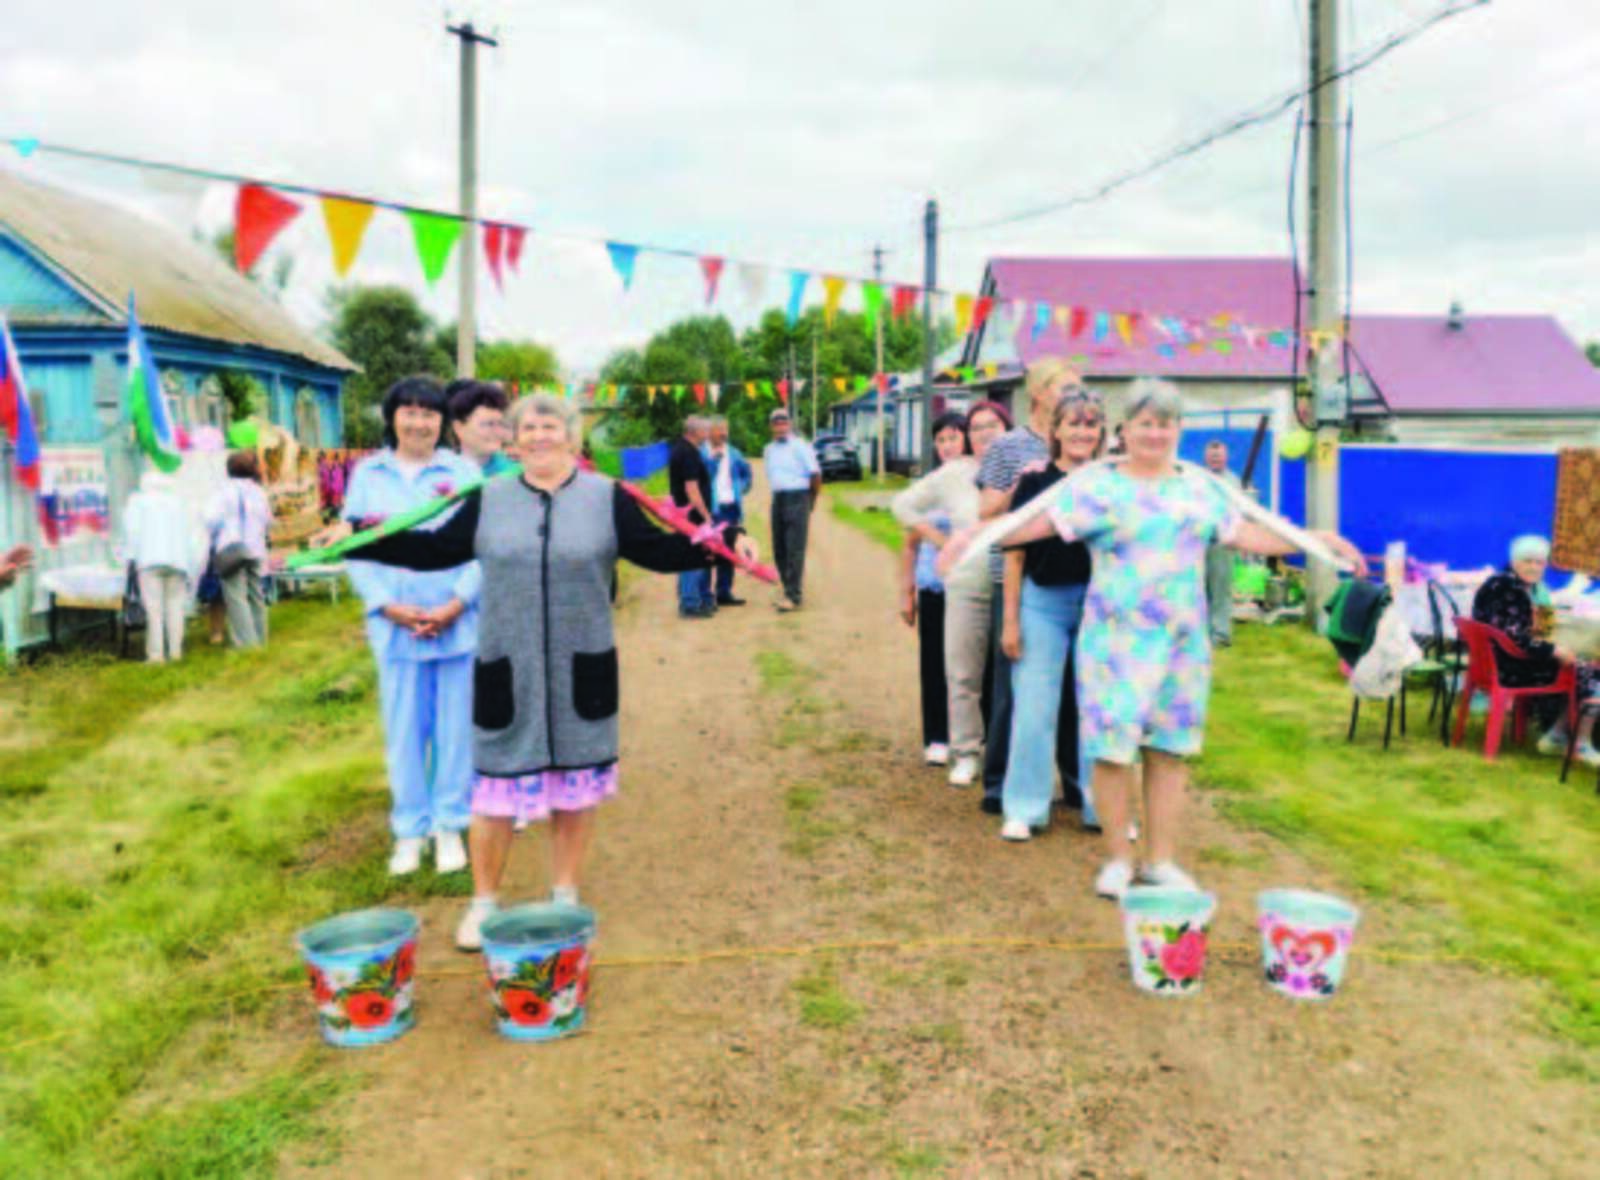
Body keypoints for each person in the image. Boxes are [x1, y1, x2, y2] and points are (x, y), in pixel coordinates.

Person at [331, 392, 760, 949]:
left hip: (582, 668)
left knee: (575, 790)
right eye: (528, 428)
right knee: (494, 795)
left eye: (550, 426)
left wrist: (726, 542)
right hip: (508, 669)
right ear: (513, 441)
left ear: (572, 437)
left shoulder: (606, 498)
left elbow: (658, 550)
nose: (538, 436)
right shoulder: (489, 498)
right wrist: (358, 539)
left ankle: (565, 894)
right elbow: (433, 549)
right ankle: (484, 904)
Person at [973, 378, 1363, 898]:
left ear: (1178, 430)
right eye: (1145, 423)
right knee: (1113, 753)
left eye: (1165, 424)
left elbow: (1248, 533)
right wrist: (971, 536)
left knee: (1168, 751)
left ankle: (1159, 862)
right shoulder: (1099, 487)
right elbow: (1034, 526)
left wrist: (1315, 541)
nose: (1155, 433)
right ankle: (1118, 860)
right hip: (1115, 646)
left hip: (1181, 645)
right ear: (1125, 430)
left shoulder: (1198, 490)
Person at [343, 376, 482, 878]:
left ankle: (449, 825)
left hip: (456, 622)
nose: (419, 423)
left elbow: (486, 545)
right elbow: (354, 547)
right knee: (403, 733)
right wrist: (386, 606)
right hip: (396, 628)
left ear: (444, 422)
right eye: (410, 412)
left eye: (429, 413)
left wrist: (457, 602)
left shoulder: (463, 472)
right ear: (392, 417)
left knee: (454, 732)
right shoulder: (368, 474)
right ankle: (409, 830)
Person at [996, 391, 1105, 841]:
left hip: (1101, 606)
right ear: (1056, 430)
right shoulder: (1034, 481)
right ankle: (1025, 807)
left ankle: (1105, 808)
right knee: (1035, 707)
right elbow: (1013, 552)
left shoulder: (1111, 481)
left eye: (1091, 424)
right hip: (1042, 603)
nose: (1082, 432)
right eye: (1074, 423)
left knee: (1100, 709)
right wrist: (1010, 621)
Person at [975, 357, 1082, 813]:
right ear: (1039, 393)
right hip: (1017, 576)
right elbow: (985, 511)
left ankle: (1076, 783)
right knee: (1011, 685)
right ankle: (1000, 783)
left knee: (1074, 687)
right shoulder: (1008, 447)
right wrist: (1022, 484)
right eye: (1066, 388)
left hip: (1074, 579)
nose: (1075, 397)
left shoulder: (1082, 441)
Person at [893, 401, 1010, 785]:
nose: (984, 434)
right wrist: (942, 542)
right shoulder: (952, 476)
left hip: (1011, 580)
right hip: (958, 582)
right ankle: (960, 749)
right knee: (958, 669)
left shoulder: (1019, 469)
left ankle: (999, 749)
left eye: (992, 426)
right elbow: (905, 511)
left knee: (1003, 673)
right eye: (976, 428)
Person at [1471, 535, 1599, 765]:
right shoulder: (1508, 588)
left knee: (1578, 661)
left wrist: (1551, 638)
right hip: (1509, 666)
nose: (1534, 567)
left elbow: (1541, 628)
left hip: (1494, 662)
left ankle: (1557, 734)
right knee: (1588, 670)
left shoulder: (1515, 584)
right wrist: (1554, 650)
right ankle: (1576, 741)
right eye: (1527, 561)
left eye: (1539, 562)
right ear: (1514, 561)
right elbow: (1515, 638)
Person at [895, 411, 970, 766]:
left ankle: (971, 736)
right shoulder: (928, 489)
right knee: (934, 661)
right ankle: (937, 736)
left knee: (969, 665)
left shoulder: (980, 483)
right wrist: (906, 592)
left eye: (953, 438)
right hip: (934, 585)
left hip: (971, 586)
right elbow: (910, 545)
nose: (947, 446)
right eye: (940, 440)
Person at [123, 470, 198, 663]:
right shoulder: (180, 502)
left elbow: (132, 532)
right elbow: (191, 536)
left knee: (153, 611)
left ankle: (156, 655)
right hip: (178, 561)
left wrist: (130, 558)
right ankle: (175, 652)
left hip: (149, 560)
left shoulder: (138, 501)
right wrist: (191, 564)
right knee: (176, 608)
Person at [203, 450, 272, 650]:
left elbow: (210, 520)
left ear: (228, 470)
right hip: (255, 549)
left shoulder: (222, 493)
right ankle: (260, 638)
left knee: (236, 597)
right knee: (256, 596)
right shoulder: (259, 492)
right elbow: (267, 520)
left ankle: (246, 644)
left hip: (231, 549)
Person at [763, 408, 821, 612]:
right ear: (771, 426)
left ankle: (793, 595)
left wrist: (811, 499)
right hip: (778, 498)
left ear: (789, 424)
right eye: (776, 423)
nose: (780, 427)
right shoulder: (768, 449)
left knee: (794, 548)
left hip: (798, 497)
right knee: (779, 548)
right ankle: (788, 588)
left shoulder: (800, 446)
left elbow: (815, 474)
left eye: (784, 423)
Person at [670, 415, 717, 619]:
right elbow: (692, 488)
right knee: (693, 557)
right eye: (705, 430)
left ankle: (692, 598)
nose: (708, 434)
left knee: (688, 556)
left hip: (682, 513)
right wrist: (706, 515)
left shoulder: (680, 448)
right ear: (695, 431)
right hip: (691, 515)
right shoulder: (688, 453)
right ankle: (690, 603)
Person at [704, 416, 753, 606]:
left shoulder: (734, 453)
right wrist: (713, 462)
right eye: (720, 430)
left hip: (731, 509)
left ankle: (724, 592)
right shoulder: (702, 453)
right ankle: (705, 595)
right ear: (710, 432)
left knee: (728, 551)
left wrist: (740, 488)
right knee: (707, 551)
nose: (724, 433)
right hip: (710, 510)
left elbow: (747, 474)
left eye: (726, 429)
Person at [1203, 440, 1242, 647]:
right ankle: (1200, 633)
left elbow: (1238, 512)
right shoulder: (1198, 480)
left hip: (1222, 542)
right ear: (1206, 458)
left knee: (1221, 589)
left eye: (1218, 455)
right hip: (1199, 543)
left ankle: (1220, 634)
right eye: (1212, 456)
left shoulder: (1233, 482)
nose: (1215, 459)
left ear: (1226, 457)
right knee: (1199, 590)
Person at [447, 379, 518, 476]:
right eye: (488, 424)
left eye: (501, 424)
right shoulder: (440, 472)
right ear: (458, 427)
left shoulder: (514, 473)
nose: (498, 432)